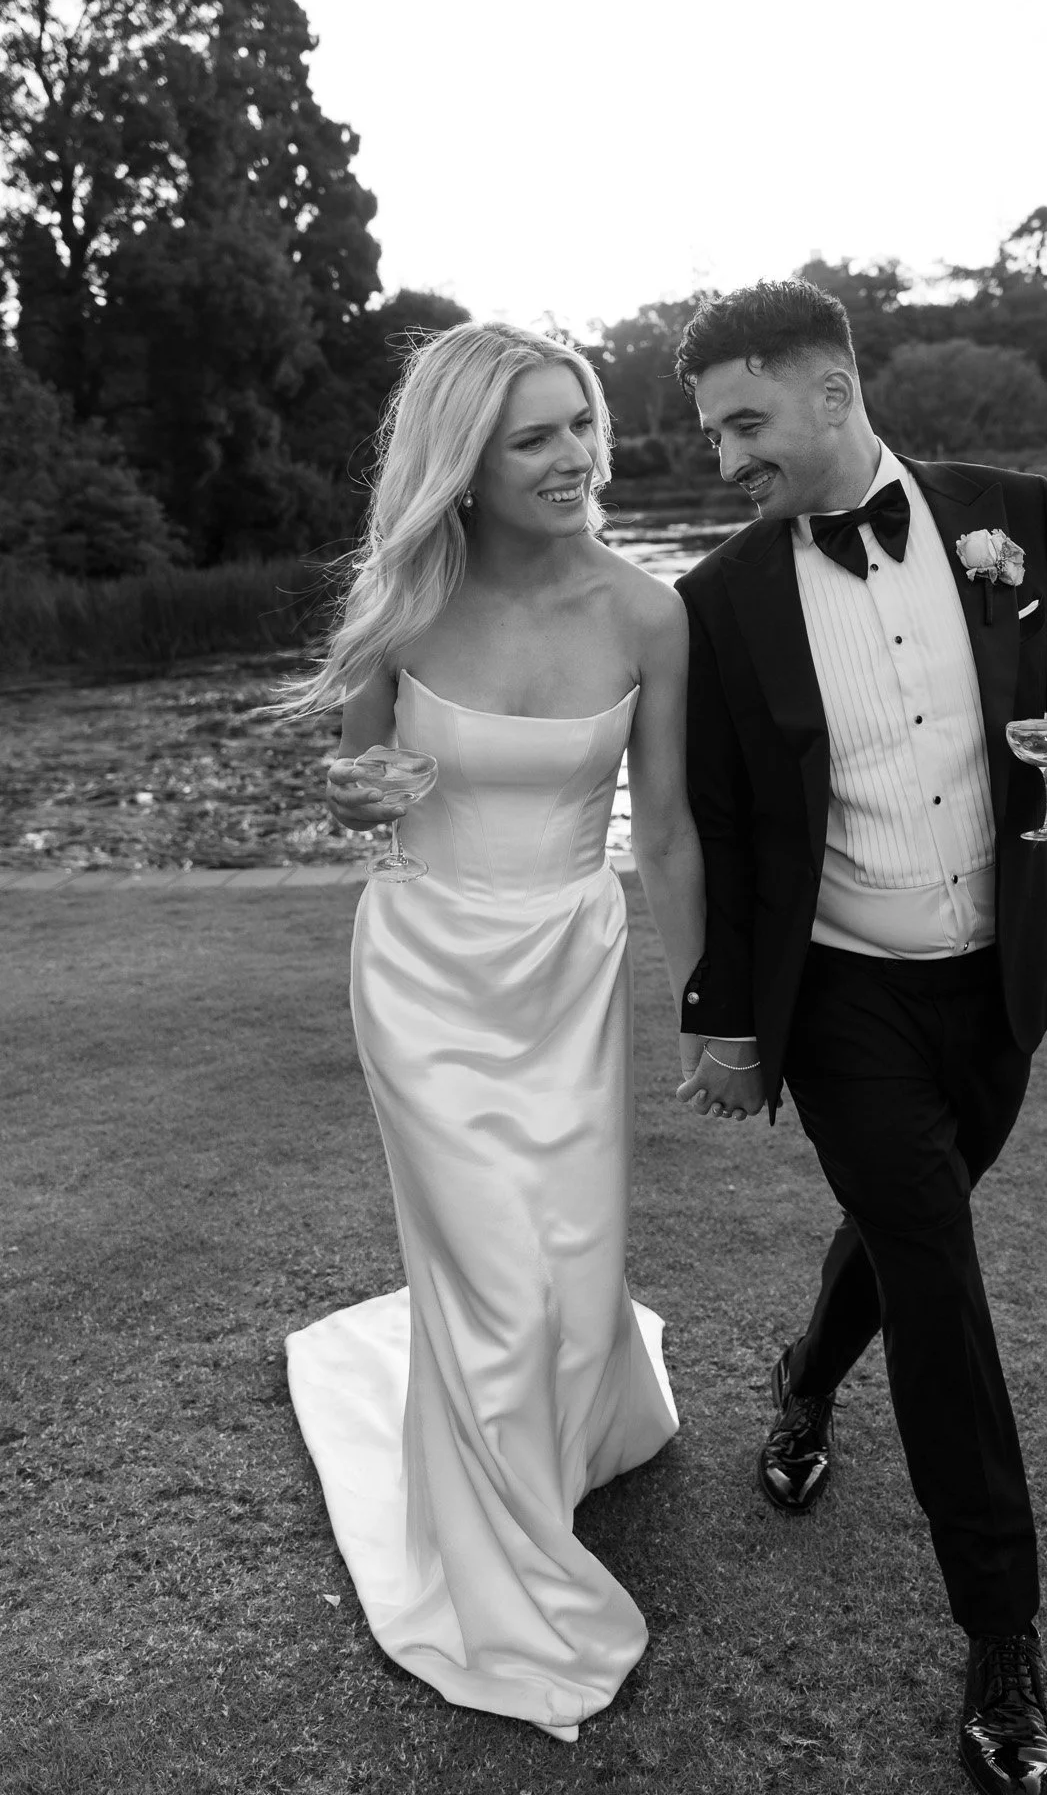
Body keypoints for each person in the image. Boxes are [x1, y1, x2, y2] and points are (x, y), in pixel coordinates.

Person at [670, 279, 1047, 1795]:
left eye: (747, 422)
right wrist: (728, 1019)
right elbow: (729, 829)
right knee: (936, 1268)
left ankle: (807, 1376)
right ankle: (1003, 1636)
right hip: (843, 995)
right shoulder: (717, 600)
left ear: (832, 388)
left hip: (1000, 984)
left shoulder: (1013, 517)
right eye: (712, 431)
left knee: (904, 1226)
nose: (727, 456)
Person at [281, 321, 705, 1743]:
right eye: (536, 435)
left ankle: (577, 1432)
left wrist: (712, 1014)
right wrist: (355, 798)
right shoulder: (403, 607)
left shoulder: (649, 615)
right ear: (463, 462)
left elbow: (672, 830)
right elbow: (361, 791)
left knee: (572, 1275)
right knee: (494, 1284)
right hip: (425, 970)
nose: (575, 455)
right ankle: (510, 1578)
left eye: (582, 421)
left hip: (568, 968)